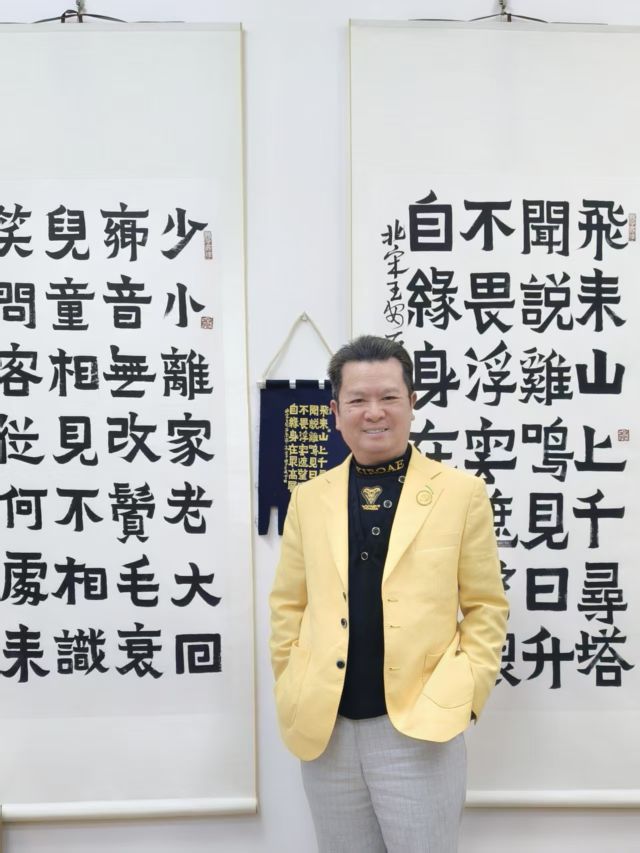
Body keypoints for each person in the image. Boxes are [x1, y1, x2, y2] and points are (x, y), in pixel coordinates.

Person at [269, 335, 508, 852]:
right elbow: (288, 604)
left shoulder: (460, 493)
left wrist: (462, 695)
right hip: (327, 730)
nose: (373, 412)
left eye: (388, 397)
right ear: (336, 412)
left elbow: (486, 606)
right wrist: (292, 680)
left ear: (411, 402)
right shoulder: (308, 498)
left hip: (420, 728)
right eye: (357, 400)